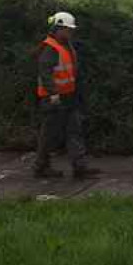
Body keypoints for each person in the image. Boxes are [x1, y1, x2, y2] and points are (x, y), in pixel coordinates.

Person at [34, 12, 100, 179]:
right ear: (57, 29)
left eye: (71, 30)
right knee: (49, 135)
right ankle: (41, 167)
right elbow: (45, 73)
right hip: (53, 99)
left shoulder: (65, 46)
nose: (70, 33)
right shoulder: (50, 48)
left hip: (68, 97)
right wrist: (54, 93)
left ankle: (80, 168)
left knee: (74, 131)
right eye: (67, 29)